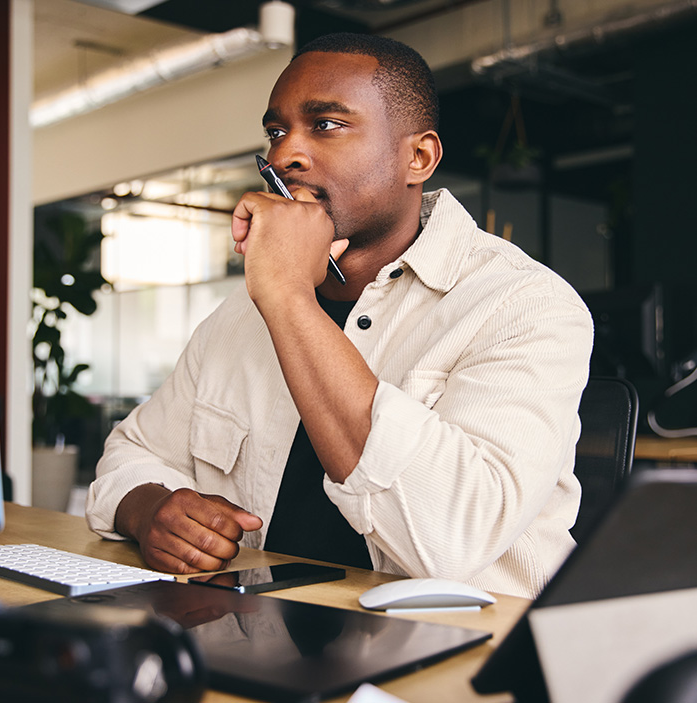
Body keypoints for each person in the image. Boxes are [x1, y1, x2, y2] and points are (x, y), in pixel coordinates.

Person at [86, 32, 593, 598]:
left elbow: (450, 541)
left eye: (325, 124)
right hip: (260, 634)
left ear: (418, 158)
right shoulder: (243, 313)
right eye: (276, 132)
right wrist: (149, 508)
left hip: (458, 651)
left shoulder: (523, 305)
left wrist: (288, 298)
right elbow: (132, 452)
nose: (284, 155)